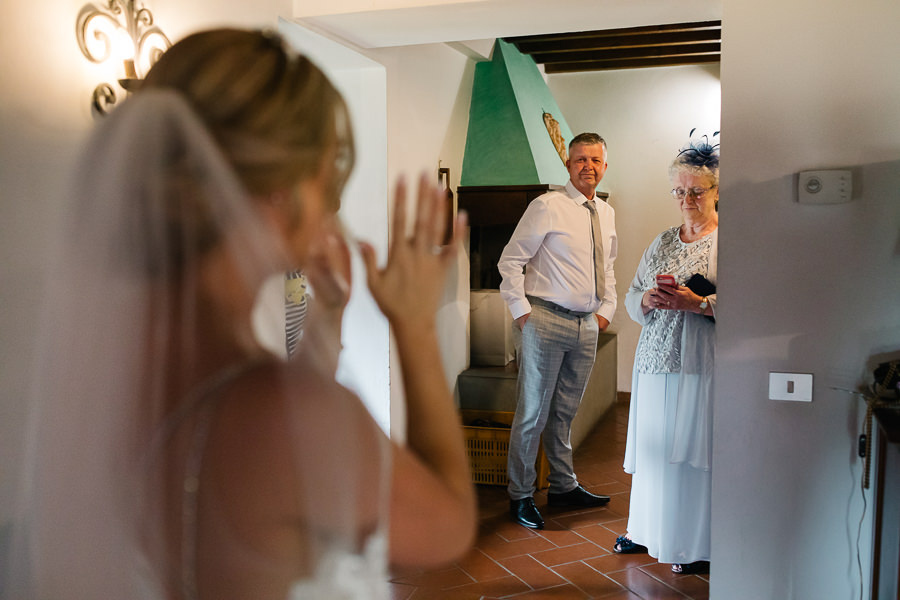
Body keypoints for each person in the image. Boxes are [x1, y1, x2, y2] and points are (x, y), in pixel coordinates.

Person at [7, 28, 476, 599]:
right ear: (283, 195)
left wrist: (322, 323)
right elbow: (446, 527)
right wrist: (416, 326)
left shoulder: (102, 376)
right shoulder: (280, 407)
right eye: (326, 180)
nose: (331, 211)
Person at [497, 132, 617, 530]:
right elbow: (510, 261)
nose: (588, 167)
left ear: (604, 166)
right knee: (532, 413)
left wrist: (606, 312)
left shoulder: (606, 211)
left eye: (595, 160)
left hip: (586, 324)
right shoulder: (547, 206)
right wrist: (521, 312)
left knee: (564, 412)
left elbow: (608, 267)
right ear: (568, 165)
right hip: (544, 320)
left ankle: (563, 487)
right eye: (580, 160)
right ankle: (521, 494)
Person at [615, 133, 719, 574]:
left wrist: (698, 304)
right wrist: (646, 301)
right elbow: (631, 294)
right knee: (657, 450)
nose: (686, 199)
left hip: (699, 363)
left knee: (690, 451)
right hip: (654, 360)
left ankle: (690, 544)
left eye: (696, 191)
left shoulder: (726, 242)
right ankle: (650, 532)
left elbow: (755, 306)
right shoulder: (661, 241)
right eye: (679, 191)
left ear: (716, 192)